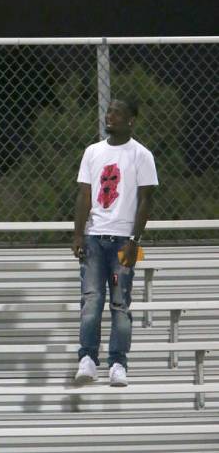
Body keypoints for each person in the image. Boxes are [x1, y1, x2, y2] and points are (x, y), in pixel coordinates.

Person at [72, 98, 157, 387]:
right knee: (91, 299)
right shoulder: (92, 152)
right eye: (109, 111)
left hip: (124, 239)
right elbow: (84, 194)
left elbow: (146, 200)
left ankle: (118, 363)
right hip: (95, 236)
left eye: (118, 113)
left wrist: (136, 240)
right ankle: (87, 358)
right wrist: (78, 234)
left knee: (121, 303)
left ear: (131, 120)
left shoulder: (141, 155)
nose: (111, 116)